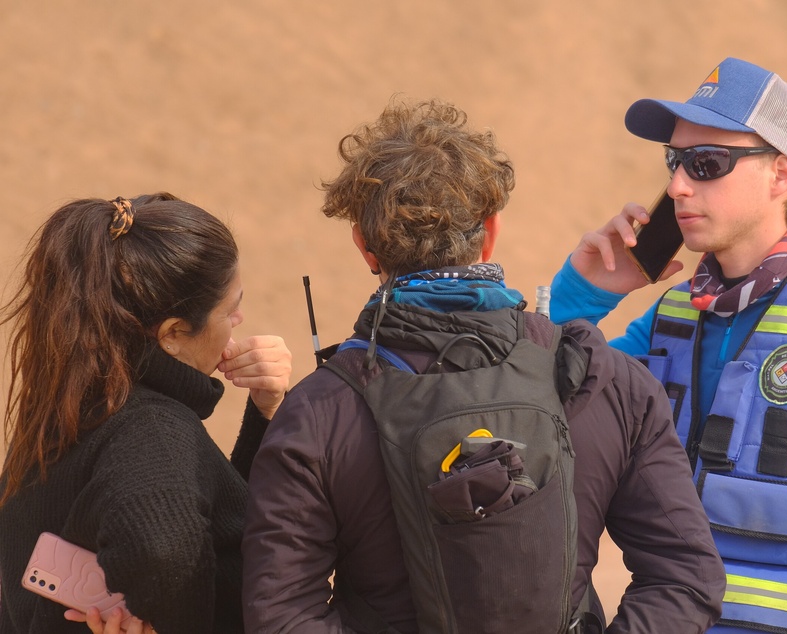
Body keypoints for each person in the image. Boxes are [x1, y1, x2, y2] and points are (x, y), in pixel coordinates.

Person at [241, 98, 725, 633]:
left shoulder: (316, 414)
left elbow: (282, 617)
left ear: (365, 246)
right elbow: (685, 578)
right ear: (490, 231)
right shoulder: (606, 381)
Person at [549, 57, 787, 633]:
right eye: (674, 162)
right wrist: (580, 296)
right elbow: (544, 406)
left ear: (781, 175)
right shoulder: (671, 317)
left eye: (707, 163)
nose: (678, 186)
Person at [0, 193, 293, 634]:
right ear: (173, 334)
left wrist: (265, 414)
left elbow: (219, 517)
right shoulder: (154, 428)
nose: (239, 319)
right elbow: (164, 549)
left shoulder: (73, 390)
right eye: (229, 310)